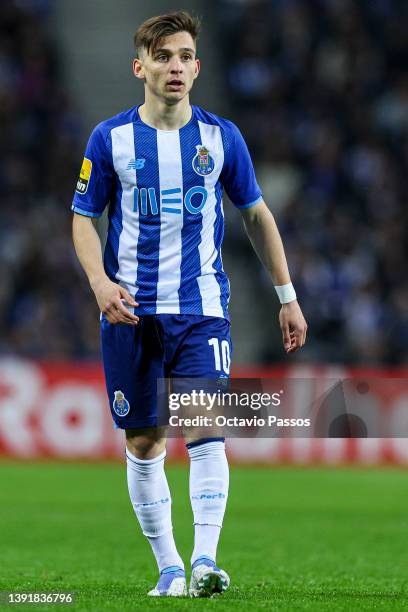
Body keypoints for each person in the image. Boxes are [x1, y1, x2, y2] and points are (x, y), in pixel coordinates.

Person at [71, 10, 307, 598]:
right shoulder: (111, 139)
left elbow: (256, 214)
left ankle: (205, 563)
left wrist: (287, 296)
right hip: (130, 310)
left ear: (198, 68)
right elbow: (81, 217)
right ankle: (169, 568)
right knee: (145, 443)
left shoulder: (221, 137)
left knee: (204, 429)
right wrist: (100, 284)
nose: (175, 66)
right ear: (140, 66)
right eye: (163, 57)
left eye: (184, 57)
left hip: (201, 309)